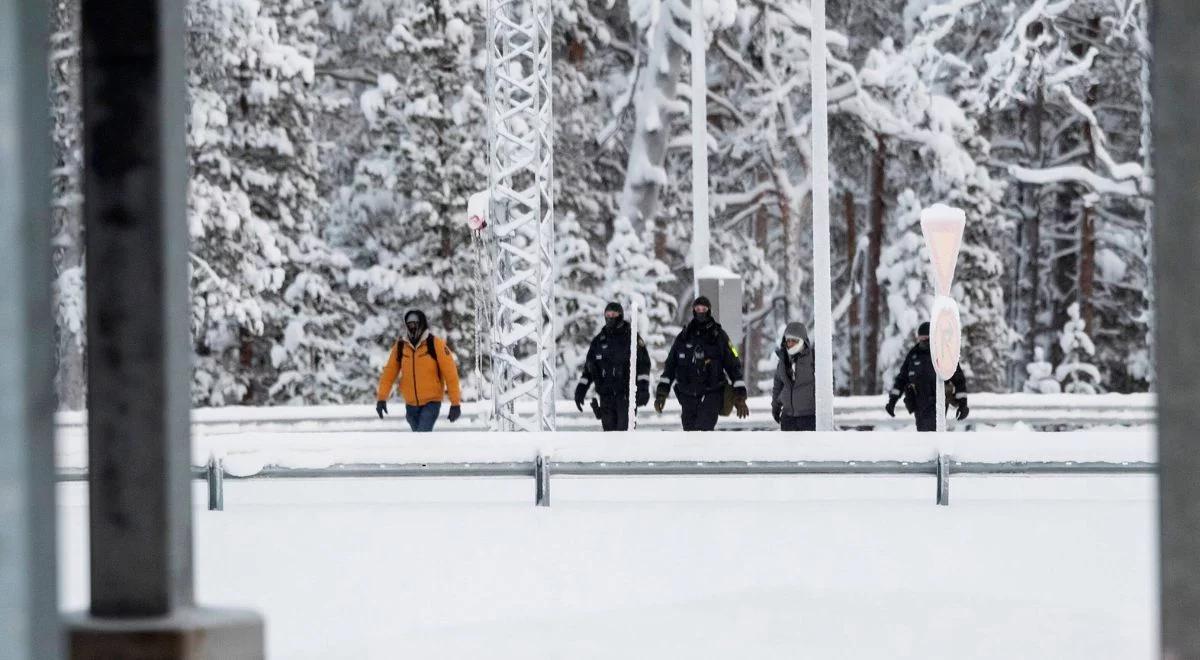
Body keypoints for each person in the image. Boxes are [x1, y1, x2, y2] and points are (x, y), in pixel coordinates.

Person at [654, 296, 749, 431]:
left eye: (704, 309)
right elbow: (670, 366)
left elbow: (734, 366)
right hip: (687, 395)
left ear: (709, 311)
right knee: (690, 434)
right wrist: (662, 393)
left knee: (704, 432)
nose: (700, 312)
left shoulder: (719, 336)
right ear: (693, 310)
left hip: (712, 393)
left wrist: (740, 396)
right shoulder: (683, 336)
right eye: (698, 308)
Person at [375, 309, 462, 432]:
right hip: (410, 404)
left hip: (431, 403)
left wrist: (455, 403)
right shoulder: (401, 346)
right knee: (418, 440)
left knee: (422, 434)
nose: (412, 327)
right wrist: (381, 398)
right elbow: (389, 373)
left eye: (415, 323)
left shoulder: (434, 344)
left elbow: (450, 373)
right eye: (409, 324)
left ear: (422, 323)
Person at [574, 302, 652, 431]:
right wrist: (580, 391)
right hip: (606, 399)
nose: (610, 317)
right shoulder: (599, 341)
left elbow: (643, 365)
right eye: (608, 314)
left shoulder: (631, 338)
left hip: (626, 398)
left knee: (625, 438)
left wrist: (643, 388)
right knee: (609, 439)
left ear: (620, 315)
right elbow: (589, 370)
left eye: (614, 314)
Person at [885, 321, 968, 432]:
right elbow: (902, 379)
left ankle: (938, 448)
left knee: (935, 433)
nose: (924, 341)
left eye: (926, 338)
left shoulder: (943, 353)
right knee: (923, 435)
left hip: (939, 404)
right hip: (919, 404)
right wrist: (892, 401)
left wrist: (963, 404)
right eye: (921, 338)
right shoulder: (914, 355)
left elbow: (959, 380)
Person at [772, 322, 816, 431]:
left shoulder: (814, 358)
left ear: (802, 341)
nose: (790, 344)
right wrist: (775, 406)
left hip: (809, 417)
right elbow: (778, 384)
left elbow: (827, 385)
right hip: (788, 418)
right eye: (788, 341)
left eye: (794, 340)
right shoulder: (783, 360)